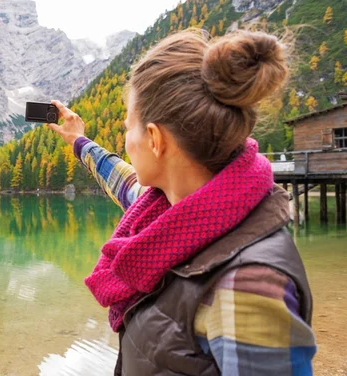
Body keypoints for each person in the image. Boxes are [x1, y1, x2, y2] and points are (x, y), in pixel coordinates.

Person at [47, 29, 316, 375]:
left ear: (156, 140)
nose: (126, 140)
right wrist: (78, 141)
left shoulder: (249, 285)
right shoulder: (174, 211)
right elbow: (124, 182)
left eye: (129, 128)